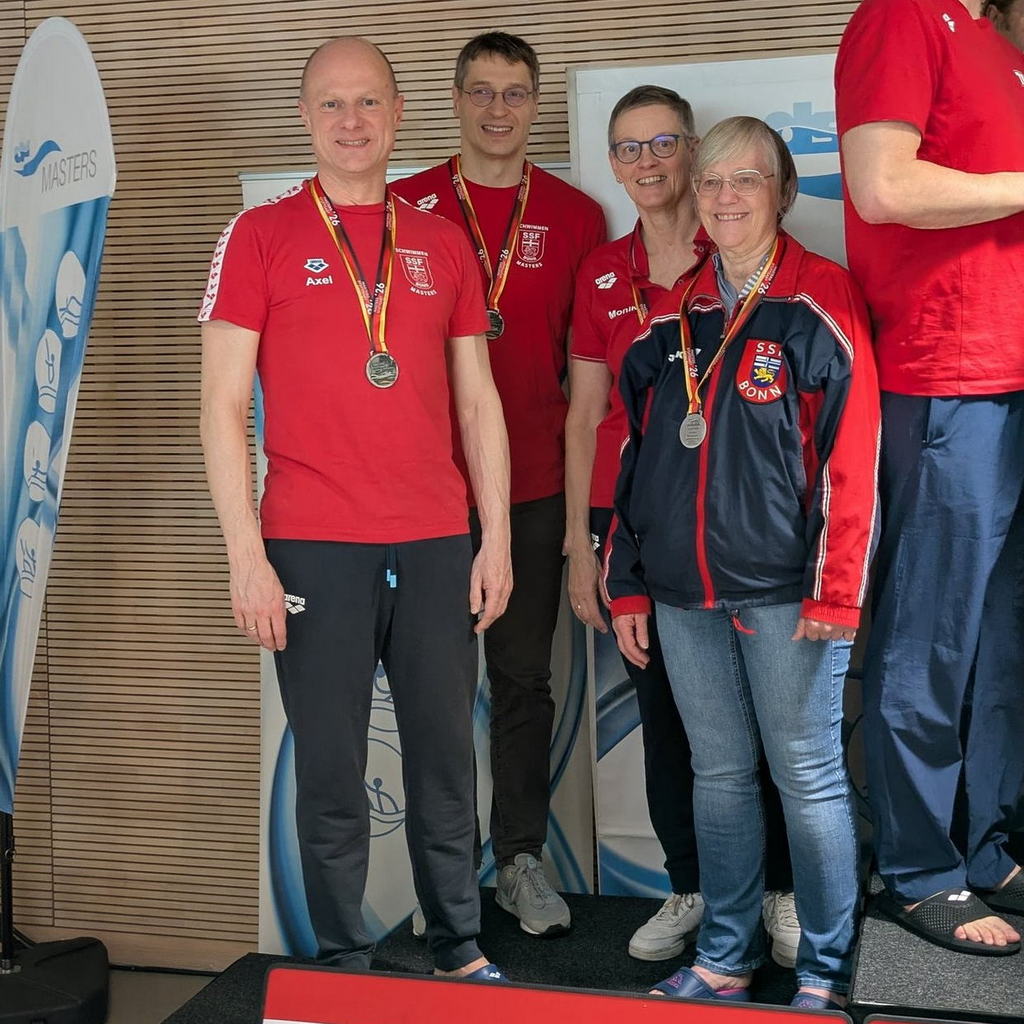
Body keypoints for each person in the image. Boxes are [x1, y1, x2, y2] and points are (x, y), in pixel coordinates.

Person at [198, 37, 512, 981]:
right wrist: (245, 557)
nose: (351, 122)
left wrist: (493, 540)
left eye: (368, 103)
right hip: (310, 545)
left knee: (445, 766)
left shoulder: (443, 240)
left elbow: (477, 401)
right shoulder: (258, 235)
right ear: (304, 117)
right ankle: (341, 964)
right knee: (331, 771)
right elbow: (219, 406)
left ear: (398, 112)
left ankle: (457, 948)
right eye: (331, 105)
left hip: (432, 540)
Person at [607, 116, 879, 1009]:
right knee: (719, 779)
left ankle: (829, 972)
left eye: (747, 180)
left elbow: (855, 461)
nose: (724, 196)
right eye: (712, 180)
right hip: (683, 598)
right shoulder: (671, 315)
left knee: (807, 779)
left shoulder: (820, 304)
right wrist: (627, 579)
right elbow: (632, 456)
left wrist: (836, 595)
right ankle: (725, 955)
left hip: (785, 599)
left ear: (783, 192)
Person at [565, 86, 800, 968]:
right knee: (667, 718)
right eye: (627, 148)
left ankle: (777, 889)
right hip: (635, 521)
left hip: (737, 518)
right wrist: (581, 548)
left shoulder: (735, 238)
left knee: (760, 720)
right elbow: (585, 415)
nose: (647, 163)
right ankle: (691, 884)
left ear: (695, 155)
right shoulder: (599, 271)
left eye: (663, 144)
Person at [392, 31, 606, 938]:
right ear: (454, 99)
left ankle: (518, 861)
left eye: (515, 93)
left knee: (522, 683)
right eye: (480, 92)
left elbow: (586, 371)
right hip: (426, 493)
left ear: (535, 104)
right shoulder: (405, 205)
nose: (497, 110)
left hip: (532, 491)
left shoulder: (577, 213)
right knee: (435, 692)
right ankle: (444, 885)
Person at [836, 0, 1024, 956]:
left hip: (1011, 376)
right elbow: (881, 186)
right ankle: (917, 868)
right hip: (945, 373)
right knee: (930, 637)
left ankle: (983, 846)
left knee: (997, 644)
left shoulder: (991, 36)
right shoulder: (901, 16)